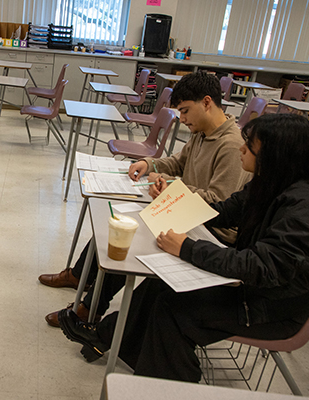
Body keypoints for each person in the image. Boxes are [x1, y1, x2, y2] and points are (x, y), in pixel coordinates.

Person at [58, 113, 309, 381]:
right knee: (160, 284)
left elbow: (261, 266)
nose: (242, 150)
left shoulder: (304, 207)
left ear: (276, 156)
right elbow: (223, 211)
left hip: (273, 308)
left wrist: (187, 248)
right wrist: (172, 206)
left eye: (250, 147)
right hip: (254, 287)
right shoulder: (271, 183)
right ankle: (108, 338)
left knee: (174, 309)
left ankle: (171, 383)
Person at [39, 72, 252, 327]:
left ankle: (91, 308)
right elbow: (176, 162)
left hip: (211, 229)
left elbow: (220, 203)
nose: (181, 119)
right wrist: (147, 162)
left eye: (185, 111)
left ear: (207, 102)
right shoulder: (202, 131)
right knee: (119, 222)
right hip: (184, 211)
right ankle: (79, 277)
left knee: (130, 235)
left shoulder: (230, 145)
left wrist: (170, 187)